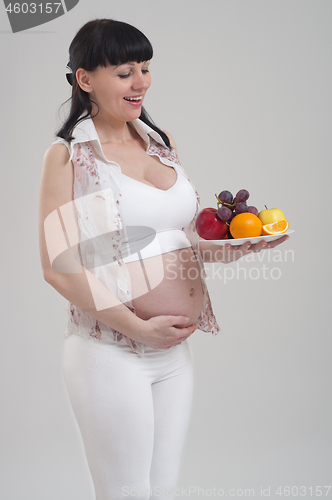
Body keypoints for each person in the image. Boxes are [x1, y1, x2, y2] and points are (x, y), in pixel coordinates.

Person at [38, 18, 289, 500]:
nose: (141, 83)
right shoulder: (71, 155)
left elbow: (181, 237)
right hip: (111, 353)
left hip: (173, 354)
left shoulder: (160, 142)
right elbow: (57, 267)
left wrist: (234, 246)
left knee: (164, 490)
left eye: (146, 69)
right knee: (127, 493)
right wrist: (137, 329)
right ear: (85, 79)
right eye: (125, 71)